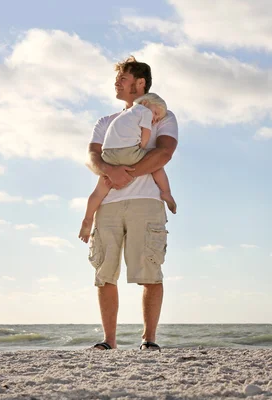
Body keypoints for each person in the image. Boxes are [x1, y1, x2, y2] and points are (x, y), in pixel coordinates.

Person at [86, 56, 178, 351]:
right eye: (117, 79)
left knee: (150, 271)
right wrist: (108, 172)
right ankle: (108, 341)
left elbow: (164, 153)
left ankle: (149, 340)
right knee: (104, 272)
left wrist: (128, 175)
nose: (117, 82)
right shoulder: (105, 121)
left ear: (140, 83)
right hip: (109, 205)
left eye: (123, 78)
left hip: (146, 201)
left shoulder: (163, 116)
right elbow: (93, 157)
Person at [78, 92, 177, 243]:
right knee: (156, 164)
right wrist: (141, 148)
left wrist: (110, 168)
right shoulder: (144, 111)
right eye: (156, 114)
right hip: (129, 152)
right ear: (145, 103)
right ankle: (167, 192)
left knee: (99, 191)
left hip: (109, 155)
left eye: (157, 119)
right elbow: (145, 135)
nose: (155, 119)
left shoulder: (121, 116)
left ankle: (88, 218)